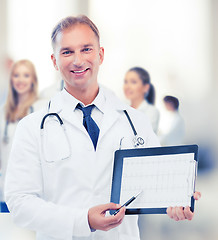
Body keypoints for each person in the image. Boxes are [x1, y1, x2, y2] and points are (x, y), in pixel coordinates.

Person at [5, 16, 200, 240]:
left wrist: (176, 201)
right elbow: (19, 204)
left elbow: (157, 184)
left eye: (86, 49)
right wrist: (83, 221)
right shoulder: (31, 128)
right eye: (67, 52)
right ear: (54, 60)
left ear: (100, 54)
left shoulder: (135, 122)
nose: (78, 61)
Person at [0, 59, 39, 212]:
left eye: (26, 75)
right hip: (4, 189)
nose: (20, 80)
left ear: (33, 80)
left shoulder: (39, 110)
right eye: (16, 75)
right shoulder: (3, 111)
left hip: (30, 191)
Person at [123, 67, 160, 133]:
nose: (127, 87)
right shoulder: (122, 109)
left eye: (133, 82)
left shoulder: (151, 112)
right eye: (126, 82)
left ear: (145, 87)